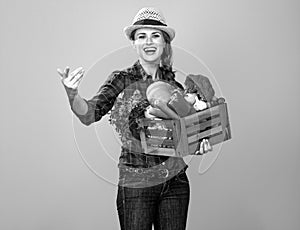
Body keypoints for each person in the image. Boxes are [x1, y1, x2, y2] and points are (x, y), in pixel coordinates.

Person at [57, 7, 210, 230]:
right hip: (136, 182)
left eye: (155, 35)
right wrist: (72, 94)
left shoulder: (176, 88)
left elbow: (182, 139)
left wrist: (198, 144)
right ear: (134, 43)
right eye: (142, 36)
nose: (149, 41)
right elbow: (89, 114)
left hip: (175, 183)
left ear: (164, 42)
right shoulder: (121, 80)